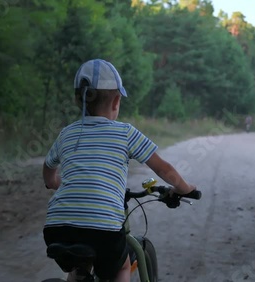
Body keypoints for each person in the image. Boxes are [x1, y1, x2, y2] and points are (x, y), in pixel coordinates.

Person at [42, 59, 196, 282]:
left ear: (79, 100)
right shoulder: (125, 132)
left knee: (78, 268)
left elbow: (48, 168)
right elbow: (163, 169)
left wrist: (55, 183)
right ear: (116, 101)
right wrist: (185, 188)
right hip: (102, 231)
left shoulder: (67, 133)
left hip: (56, 229)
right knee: (121, 267)